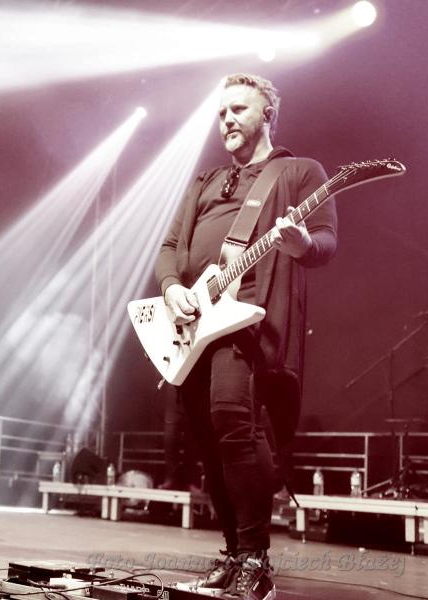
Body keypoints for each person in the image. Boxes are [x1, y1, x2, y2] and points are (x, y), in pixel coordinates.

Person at [155, 73, 337, 599]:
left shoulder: (299, 171)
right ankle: (233, 553)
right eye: (221, 112)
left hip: (248, 322)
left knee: (233, 421)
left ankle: (256, 559)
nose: (227, 119)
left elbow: (325, 241)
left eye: (238, 109)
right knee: (206, 436)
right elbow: (169, 247)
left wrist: (300, 243)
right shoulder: (206, 181)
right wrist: (172, 288)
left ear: (267, 114)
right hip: (195, 322)